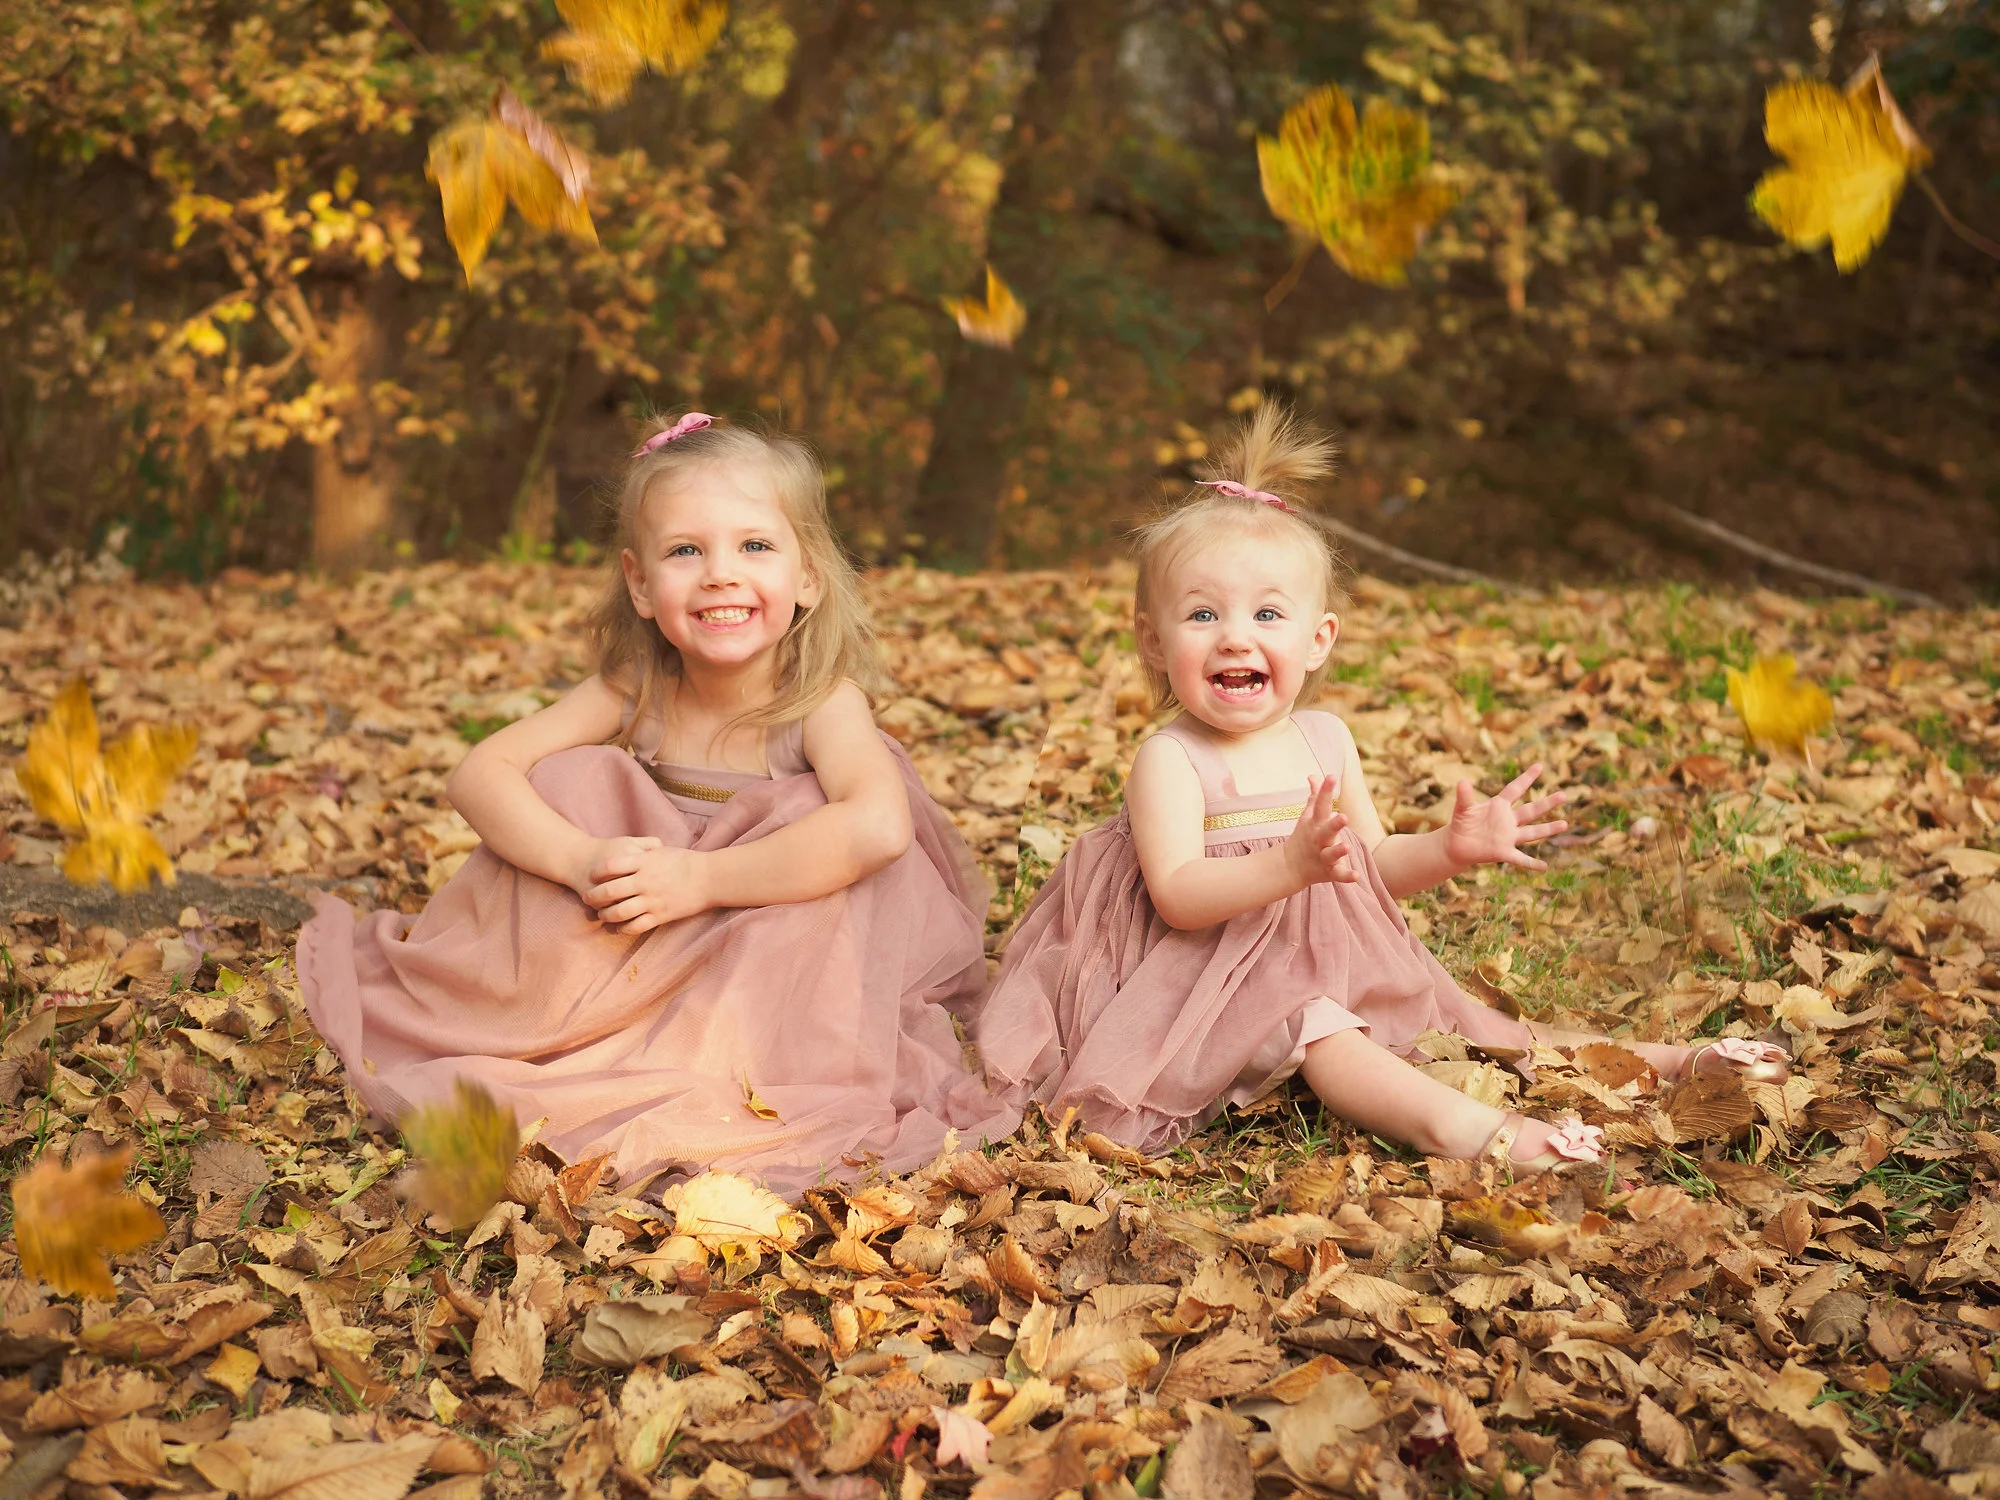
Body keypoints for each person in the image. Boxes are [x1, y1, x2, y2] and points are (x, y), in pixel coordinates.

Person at [972, 405, 1788, 1172]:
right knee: (1322, 1030)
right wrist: (1288, 867)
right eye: (1201, 616)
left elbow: (1371, 866)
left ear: (1319, 638)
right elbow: (1181, 896)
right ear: (1152, 641)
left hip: (1323, 950)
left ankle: (1674, 1061)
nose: (1235, 637)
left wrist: (1450, 849)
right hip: (1200, 974)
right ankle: (1474, 1133)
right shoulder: (1171, 759)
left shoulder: (1323, 739)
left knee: (1464, 1019)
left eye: (1266, 615)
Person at [298, 413, 1019, 1198]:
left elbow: (877, 828)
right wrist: (581, 859)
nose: (720, 573)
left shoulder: (818, 703)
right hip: (643, 931)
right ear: (641, 585)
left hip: (777, 944)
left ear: (807, 576)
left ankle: (704, 1072)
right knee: (567, 784)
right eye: (686, 551)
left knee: (819, 822)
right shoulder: (636, 693)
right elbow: (482, 772)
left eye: (755, 546)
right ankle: (551, 1029)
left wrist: (703, 880)